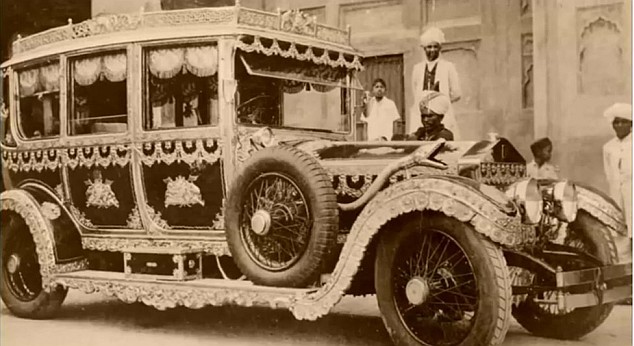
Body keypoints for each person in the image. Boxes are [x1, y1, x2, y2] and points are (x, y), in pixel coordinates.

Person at [410, 27, 462, 138]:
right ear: (424, 48)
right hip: (422, 114)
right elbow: (415, 92)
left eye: (435, 46)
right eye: (429, 47)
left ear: (440, 48)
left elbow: (457, 93)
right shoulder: (417, 68)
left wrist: (440, 102)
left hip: (442, 114)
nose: (432, 50)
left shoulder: (448, 66)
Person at [602, 103, 632, 238]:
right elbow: (609, 172)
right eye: (616, 122)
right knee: (619, 228)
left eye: (623, 122)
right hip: (617, 192)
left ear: (631, 123)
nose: (619, 125)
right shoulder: (608, 147)